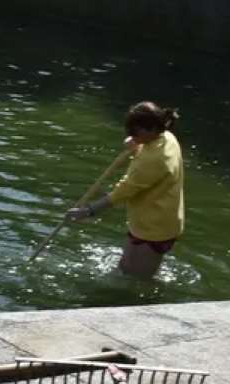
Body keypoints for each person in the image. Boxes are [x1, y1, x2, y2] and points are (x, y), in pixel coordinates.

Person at [66, 102, 186, 278]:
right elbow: (149, 162)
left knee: (137, 279)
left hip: (155, 227)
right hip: (150, 220)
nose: (131, 135)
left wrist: (88, 211)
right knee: (125, 269)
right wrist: (137, 145)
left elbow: (122, 193)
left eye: (136, 132)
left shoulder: (153, 159)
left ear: (152, 129)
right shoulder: (167, 137)